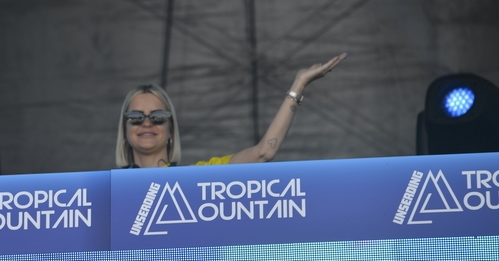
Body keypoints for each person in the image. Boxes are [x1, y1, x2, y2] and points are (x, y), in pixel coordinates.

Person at [116, 53, 347, 168]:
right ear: (124, 131)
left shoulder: (196, 179)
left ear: (171, 130)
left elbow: (264, 152)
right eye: (135, 117)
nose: (146, 122)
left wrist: (299, 85)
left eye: (158, 117)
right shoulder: (105, 190)